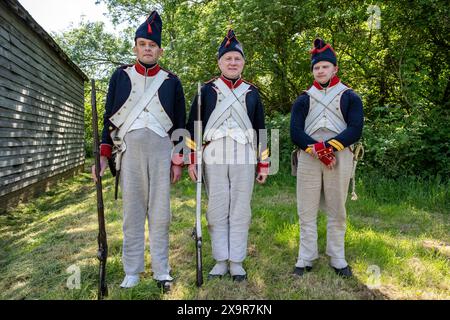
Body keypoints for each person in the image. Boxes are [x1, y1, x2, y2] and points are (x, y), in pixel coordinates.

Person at [91, 11, 186, 292]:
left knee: (160, 214)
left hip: (161, 152)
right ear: (135, 47)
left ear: (160, 49)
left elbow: (180, 124)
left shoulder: (172, 81)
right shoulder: (120, 76)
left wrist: (178, 159)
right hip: (128, 151)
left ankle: (161, 270)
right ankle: (132, 270)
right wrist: (102, 155)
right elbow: (108, 118)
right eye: (142, 44)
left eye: (152, 45)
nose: (147, 48)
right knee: (132, 213)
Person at [186, 29, 269, 282]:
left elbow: (261, 130)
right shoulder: (206, 90)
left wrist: (263, 162)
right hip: (213, 153)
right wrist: (192, 159)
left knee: (241, 208)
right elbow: (192, 127)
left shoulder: (252, 92)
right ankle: (221, 259)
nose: (232, 63)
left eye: (237, 59)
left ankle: (237, 261)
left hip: (244, 153)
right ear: (219, 62)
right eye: (228, 59)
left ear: (243, 62)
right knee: (217, 208)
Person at [290, 38, 364, 278]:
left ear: (335, 68)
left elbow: (355, 129)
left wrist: (329, 148)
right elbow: (295, 132)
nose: (320, 70)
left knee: (337, 209)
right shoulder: (303, 98)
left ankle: (337, 257)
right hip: (310, 155)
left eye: (324, 66)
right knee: (306, 209)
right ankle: (305, 256)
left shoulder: (350, 96)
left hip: (339, 155)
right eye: (316, 67)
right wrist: (317, 149)